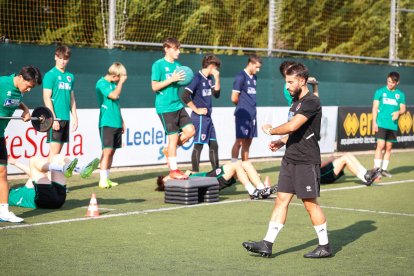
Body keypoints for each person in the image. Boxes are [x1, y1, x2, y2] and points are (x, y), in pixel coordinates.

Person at [242, 63, 332, 258]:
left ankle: (324, 246)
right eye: (286, 82)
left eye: (290, 82)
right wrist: (282, 142)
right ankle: (267, 243)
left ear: (302, 80)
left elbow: (293, 126)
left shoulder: (311, 102)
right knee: (281, 201)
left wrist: (271, 130)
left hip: (306, 160)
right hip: (290, 158)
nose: (287, 86)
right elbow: (298, 131)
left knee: (310, 204)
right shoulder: (296, 102)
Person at [0, 66, 42, 223]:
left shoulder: (19, 90)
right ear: (21, 78)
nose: (29, 90)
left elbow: (15, 100)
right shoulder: (2, 83)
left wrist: (25, 110)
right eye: (29, 86)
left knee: (2, 172)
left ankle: (3, 211)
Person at [151, 37, 195, 180]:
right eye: (176, 49)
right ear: (167, 49)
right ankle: (174, 170)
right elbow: (154, 86)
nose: (179, 51)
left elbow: (182, 81)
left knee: (190, 131)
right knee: (173, 137)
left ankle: (169, 151)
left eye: (179, 48)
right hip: (165, 107)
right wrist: (171, 79)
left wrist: (185, 79)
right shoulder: (158, 65)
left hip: (177, 105)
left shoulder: (179, 66)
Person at [6, 155, 99, 209]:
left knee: (57, 157)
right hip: (44, 200)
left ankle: (80, 170)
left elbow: (33, 174)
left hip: (58, 198)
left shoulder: (19, 190)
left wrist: (15, 163)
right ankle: (64, 168)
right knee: (33, 160)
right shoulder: (6, 199)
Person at [155, 160, 275, 200]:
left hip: (210, 175)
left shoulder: (179, 175)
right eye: (168, 180)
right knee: (237, 164)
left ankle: (261, 189)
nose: (171, 177)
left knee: (246, 163)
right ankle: (253, 192)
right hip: (210, 180)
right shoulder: (179, 184)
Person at [182, 54, 221, 172]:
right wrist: (196, 109)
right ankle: (194, 172)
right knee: (198, 145)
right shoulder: (196, 78)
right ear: (211, 66)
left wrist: (217, 78)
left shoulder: (209, 79)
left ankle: (217, 174)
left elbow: (217, 94)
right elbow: (185, 96)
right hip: (199, 118)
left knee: (214, 145)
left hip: (208, 118)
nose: (217, 70)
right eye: (216, 67)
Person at [43, 45, 79, 160]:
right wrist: (53, 118)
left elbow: (72, 98)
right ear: (55, 57)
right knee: (53, 155)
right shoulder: (50, 75)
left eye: (65, 59)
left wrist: (75, 117)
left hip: (66, 118)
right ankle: (42, 177)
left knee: (57, 155)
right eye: (60, 58)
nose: (63, 61)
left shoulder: (70, 76)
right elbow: (46, 98)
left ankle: (43, 177)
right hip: (55, 119)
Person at [96, 62, 127, 189]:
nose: (120, 80)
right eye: (120, 77)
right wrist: (121, 83)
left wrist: (122, 121)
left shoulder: (114, 84)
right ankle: (102, 179)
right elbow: (113, 96)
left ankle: (107, 178)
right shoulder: (101, 83)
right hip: (106, 122)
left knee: (112, 151)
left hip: (116, 122)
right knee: (107, 151)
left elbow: (117, 105)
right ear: (115, 75)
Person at [372, 71, 406, 178]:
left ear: (397, 82)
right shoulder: (380, 92)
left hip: (393, 125)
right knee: (380, 146)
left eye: (392, 82)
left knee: (389, 147)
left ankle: (384, 170)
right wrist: (374, 122)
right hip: (381, 123)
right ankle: (376, 170)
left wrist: (398, 112)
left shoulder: (400, 95)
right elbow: (375, 108)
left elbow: (403, 109)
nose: (390, 84)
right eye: (388, 81)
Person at [231, 54, 262, 162]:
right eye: (256, 67)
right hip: (242, 114)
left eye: (259, 68)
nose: (258, 70)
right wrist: (243, 107)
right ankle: (233, 167)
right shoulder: (241, 76)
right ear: (250, 64)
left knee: (248, 141)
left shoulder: (254, 78)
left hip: (252, 114)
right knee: (239, 141)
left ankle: (245, 167)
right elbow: (234, 98)